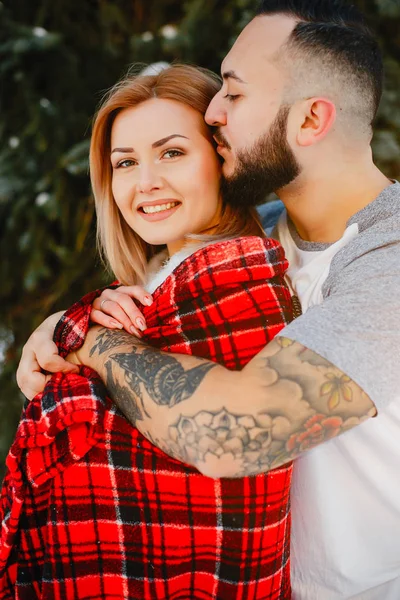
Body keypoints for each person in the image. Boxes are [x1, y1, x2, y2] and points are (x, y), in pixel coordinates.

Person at [13, 1, 400, 599]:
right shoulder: (250, 240)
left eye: (235, 94)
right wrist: (62, 324)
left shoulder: (388, 258)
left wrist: (89, 341)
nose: (213, 113)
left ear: (311, 119)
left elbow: (233, 435)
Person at [0, 64, 295, 599]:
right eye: (125, 163)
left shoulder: (234, 281)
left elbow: (214, 465)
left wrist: (80, 336)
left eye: (172, 153)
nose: (145, 182)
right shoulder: (148, 288)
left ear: (223, 158)